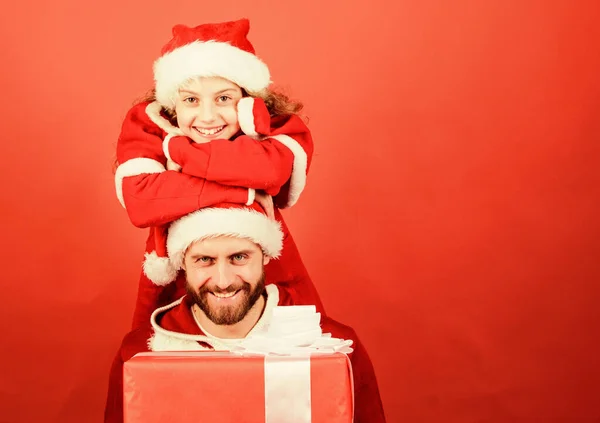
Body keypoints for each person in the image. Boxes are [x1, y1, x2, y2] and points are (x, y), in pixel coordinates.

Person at [114, 18, 325, 329]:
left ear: (248, 102)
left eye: (224, 98)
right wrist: (243, 191)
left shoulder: (277, 124)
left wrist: (180, 153)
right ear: (173, 103)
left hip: (256, 264)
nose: (208, 116)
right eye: (191, 100)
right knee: (163, 358)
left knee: (293, 354)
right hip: (180, 274)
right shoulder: (149, 123)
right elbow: (140, 199)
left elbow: (271, 170)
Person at [104, 203, 386, 423]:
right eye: (205, 260)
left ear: (265, 254)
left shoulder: (337, 348)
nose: (224, 280)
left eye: (239, 257)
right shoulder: (139, 353)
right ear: (182, 264)